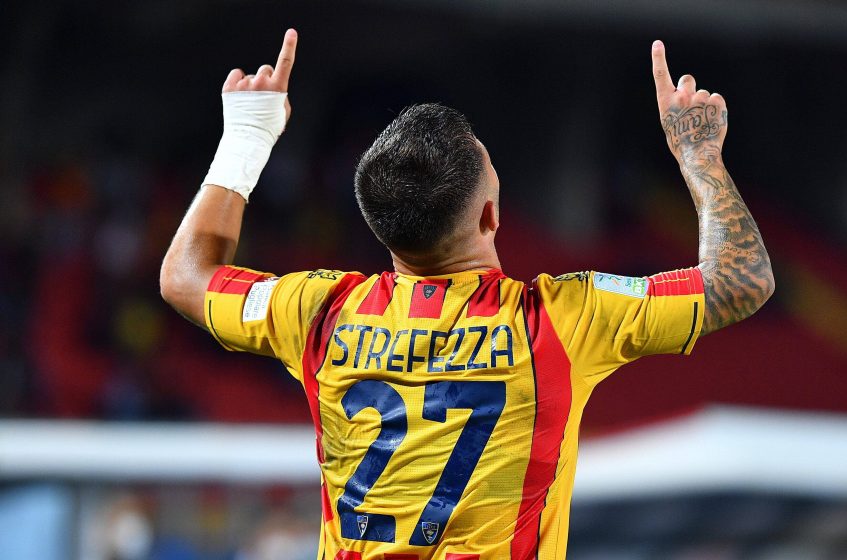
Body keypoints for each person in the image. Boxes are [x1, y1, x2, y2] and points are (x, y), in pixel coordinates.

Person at [160, 29, 774, 560]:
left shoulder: (319, 313)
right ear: (490, 216)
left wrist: (246, 140)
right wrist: (700, 157)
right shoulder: (560, 320)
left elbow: (186, 276)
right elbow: (740, 282)